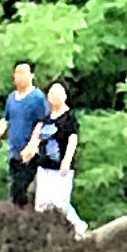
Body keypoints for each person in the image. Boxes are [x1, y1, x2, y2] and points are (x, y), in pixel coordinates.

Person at [0, 61, 48, 208]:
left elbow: (44, 123)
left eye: (24, 72)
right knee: (14, 191)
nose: (20, 76)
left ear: (31, 75)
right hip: (13, 152)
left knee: (24, 191)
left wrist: (32, 146)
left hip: (31, 155)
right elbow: (4, 122)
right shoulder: (11, 98)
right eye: (17, 72)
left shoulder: (37, 98)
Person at [32, 80, 82, 225]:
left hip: (61, 167)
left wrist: (67, 160)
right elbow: (37, 138)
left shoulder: (69, 118)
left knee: (61, 203)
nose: (55, 95)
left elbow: (73, 139)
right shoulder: (45, 119)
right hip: (44, 166)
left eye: (59, 92)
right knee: (42, 203)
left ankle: (78, 227)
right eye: (52, 92)